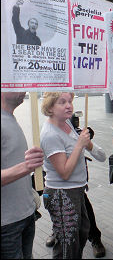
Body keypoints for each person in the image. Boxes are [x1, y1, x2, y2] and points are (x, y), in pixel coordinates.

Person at [40, 92, 100, 259]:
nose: (69, 105)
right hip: (62, 194)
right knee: (67, 244)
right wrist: (80, 145)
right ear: (50, 107)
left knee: (81, 232)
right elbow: (65, 172)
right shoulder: (50, 134)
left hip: (76, 190)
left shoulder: (65, 122)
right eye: (62, 102)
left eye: (70, 101)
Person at [1, 91, 44, 259]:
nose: (23, 89)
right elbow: (22, 167)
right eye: (16, 83)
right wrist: (27, 166)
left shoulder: (10, 118)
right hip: (7, 224)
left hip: (26, 215)